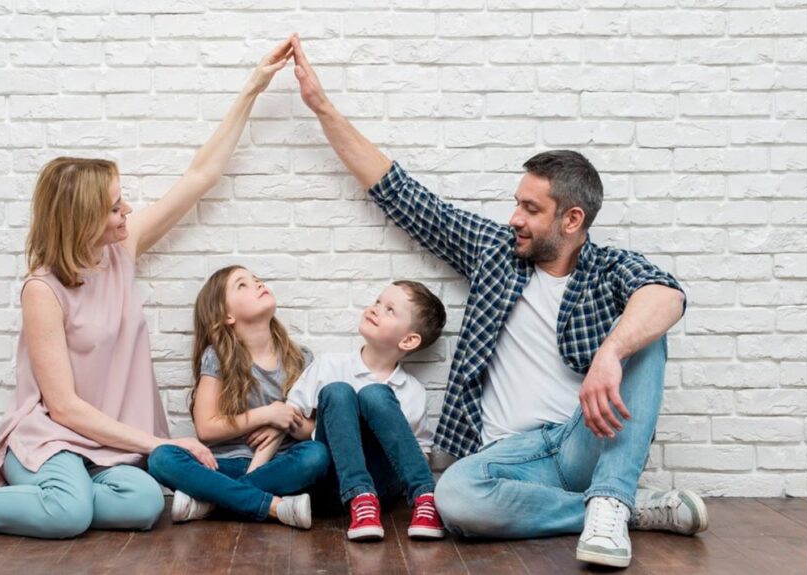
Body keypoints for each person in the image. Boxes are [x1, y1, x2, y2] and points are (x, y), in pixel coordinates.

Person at [289, 36, 707, 568]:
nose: (515, 218)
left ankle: (609, 497)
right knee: (455, 498)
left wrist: (611, 352)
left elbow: (667, 295)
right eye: (516, 204)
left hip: (582, 440)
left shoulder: (608, 270)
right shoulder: (495, 252)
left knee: (647, 336)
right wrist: (321, 107)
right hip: (508, 458)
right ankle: (622, 507)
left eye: (530, 209)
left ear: (572, 219)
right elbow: (404, 196)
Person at [0, 38, 296, 540]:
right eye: (114, 207)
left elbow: (200, 175)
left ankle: (50, 500)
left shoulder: (121, 250)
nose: (126, 211)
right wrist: (158, 444)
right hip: (54, 438)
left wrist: (252, 88)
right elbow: (63, 407)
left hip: (112, 444)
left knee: (143, 505)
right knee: (69, 514)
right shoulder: (42, 290)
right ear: (83, 218)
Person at [147, 266, 330, 529]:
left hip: (279, 466)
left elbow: (313, 431)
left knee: (317, 455)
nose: (258, 284)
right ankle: (272, 506)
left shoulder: (301, 358)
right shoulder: (217, 357)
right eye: (242, 285)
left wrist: (288, 420)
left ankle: (213, 503)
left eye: (256, 280)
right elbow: (206, 429)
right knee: (161, 458)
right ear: (227, 315)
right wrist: (268, 413)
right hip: (225, 465)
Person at [286, 280, 447, 541]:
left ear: (408, 340)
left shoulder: (412, 391)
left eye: (389, 310)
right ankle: (360, 496)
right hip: (332, 482)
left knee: (375, 394)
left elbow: (421, 452)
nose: (375, 309)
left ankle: (425, 498)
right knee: (338, 391)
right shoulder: (330, 365)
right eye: (377, 302)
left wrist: (391, 439)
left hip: (383, 487)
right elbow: (292, 418)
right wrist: (326, 428)